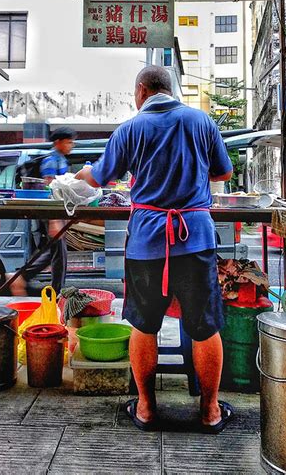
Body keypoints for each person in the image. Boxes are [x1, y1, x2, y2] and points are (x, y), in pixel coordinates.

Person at [75, 65, 233, 433]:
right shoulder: (201, 121)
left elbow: (98, 178)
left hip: (146, 242)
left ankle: (146, 409)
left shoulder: (129, 129)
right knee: (205, 326)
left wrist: (80, 174)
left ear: (142, 91)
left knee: (143, 326)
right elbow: (223, 172)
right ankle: (210, 411)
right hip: (195, 239)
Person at [20, 126, 76, 295]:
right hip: (53, 212)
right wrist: (54, 220)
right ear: (58, 142)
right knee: (59, 253)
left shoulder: (60, 159)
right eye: (69, 142)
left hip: (58, 212)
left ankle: (24, 277)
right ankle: (56, 291)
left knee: (54, 251)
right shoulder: (52, 160)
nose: (71, 146)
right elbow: (49, 189)